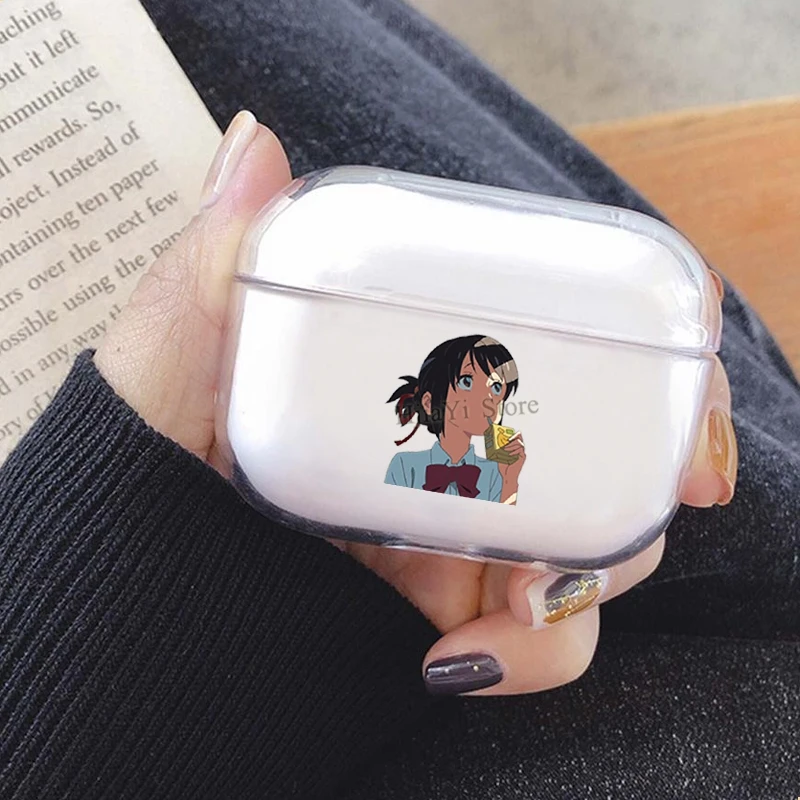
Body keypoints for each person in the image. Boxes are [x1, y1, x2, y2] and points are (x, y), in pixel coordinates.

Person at [0, 1, 797, 798]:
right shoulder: (425, 461)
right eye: (483, 386)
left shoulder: (487, 463)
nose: (493, 404)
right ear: (445, 388)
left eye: (504, 391)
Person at [385, 334, 525, 503]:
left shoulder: (497, 473)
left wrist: (510, 481)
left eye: (496, 387)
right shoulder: (405, 465)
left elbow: (502, 519)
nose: (487, 398)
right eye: (467, 382)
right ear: (429, 403)